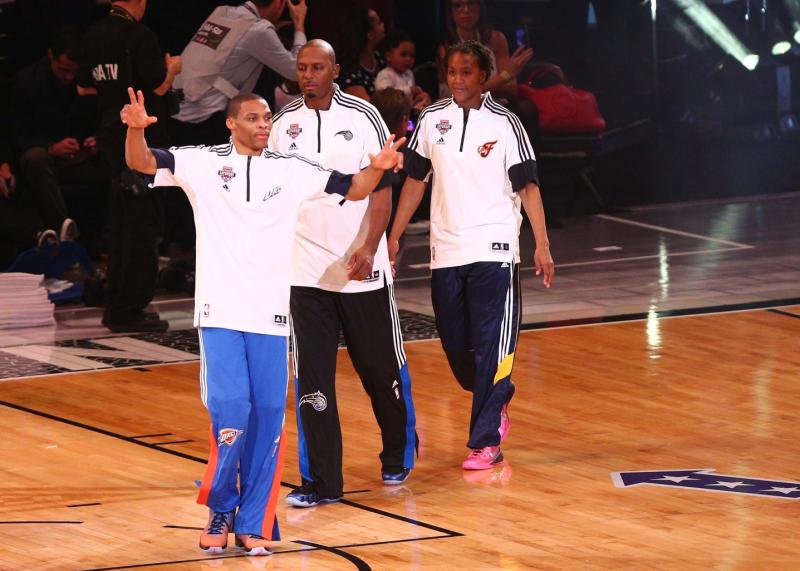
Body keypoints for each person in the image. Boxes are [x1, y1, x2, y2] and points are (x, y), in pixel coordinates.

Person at [122, 87, 404, 554]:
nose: (263, 124)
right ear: (231, 123)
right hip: (220, 311)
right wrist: (134, 128)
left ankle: (254, 521)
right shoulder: (204, 163)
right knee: (232, 412)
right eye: (253, 118)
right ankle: (220, 508)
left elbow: (352, 188)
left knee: (270, 419)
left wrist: (376, 167)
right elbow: (142, 163)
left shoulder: (292, 170)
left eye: (267, 118)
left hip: (272, 317)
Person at [388, 41, 554, 470]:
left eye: (467, 72)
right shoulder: (430, 119)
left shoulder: (506, 124)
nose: (458, 79)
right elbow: (414, 181)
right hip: (446, 251)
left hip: (495, 248)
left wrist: (543, 244)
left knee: (492, 348)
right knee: (459, 350)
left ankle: (486, 440)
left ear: (484, 77)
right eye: (453, 72)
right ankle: (494, 395)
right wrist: (394, 235)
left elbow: (528, 187)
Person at [268, 40, 417, 509]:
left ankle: (397, 452)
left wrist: (371, 246)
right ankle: (322, 482)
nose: (308, 75)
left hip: (360, 270)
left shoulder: (363, 116)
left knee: (378, 371)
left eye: (317, 67)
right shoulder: (281, 124)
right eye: (302, 68)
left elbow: (383, 189)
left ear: (335, 68)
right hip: (304, 272)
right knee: (313, 379)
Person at [77, 0, 182, 333]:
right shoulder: (140, 35)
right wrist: (173, 69)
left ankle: (116, 304)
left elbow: (83, 86)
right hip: (141, 138)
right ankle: (130, 309)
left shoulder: (92, 35)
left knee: (121, 223)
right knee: (143, 226)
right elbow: (158, 86)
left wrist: (115, 91)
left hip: (110, 135)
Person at [9, 28, 108, 244]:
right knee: (35, 158)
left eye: (74, 71)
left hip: (78, 155)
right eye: (64, 70)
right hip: (43, 157)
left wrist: (95, 139)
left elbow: (96, 117)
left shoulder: (86, 80)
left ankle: (109, 239)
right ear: (51, 56)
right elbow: (16, 134)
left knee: (116, 157)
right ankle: (65, 231)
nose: (69, 77)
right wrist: (51, 148)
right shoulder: (27, 82)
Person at [170, 0, 307, 146]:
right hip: (204, 122)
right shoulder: (259, 30)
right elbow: (296, 71)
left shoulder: (223, 12)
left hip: (175, 110)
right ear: (278, 3)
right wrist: (299, 24)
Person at [374, 30, 431, 112]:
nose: (408, 59)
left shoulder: (409, 73)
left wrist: (417, 96)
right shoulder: (385, 74)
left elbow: (410, 98)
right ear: (388, 56)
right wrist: (409, 90)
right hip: (390, 115)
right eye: (403, 55)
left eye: (412, 56)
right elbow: (385, 97)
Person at [338, 6, 386, 102]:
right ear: (370, 34)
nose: (383, 26)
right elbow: (369, 109)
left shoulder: (380, 58)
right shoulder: (349, 70)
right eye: (379, 23)